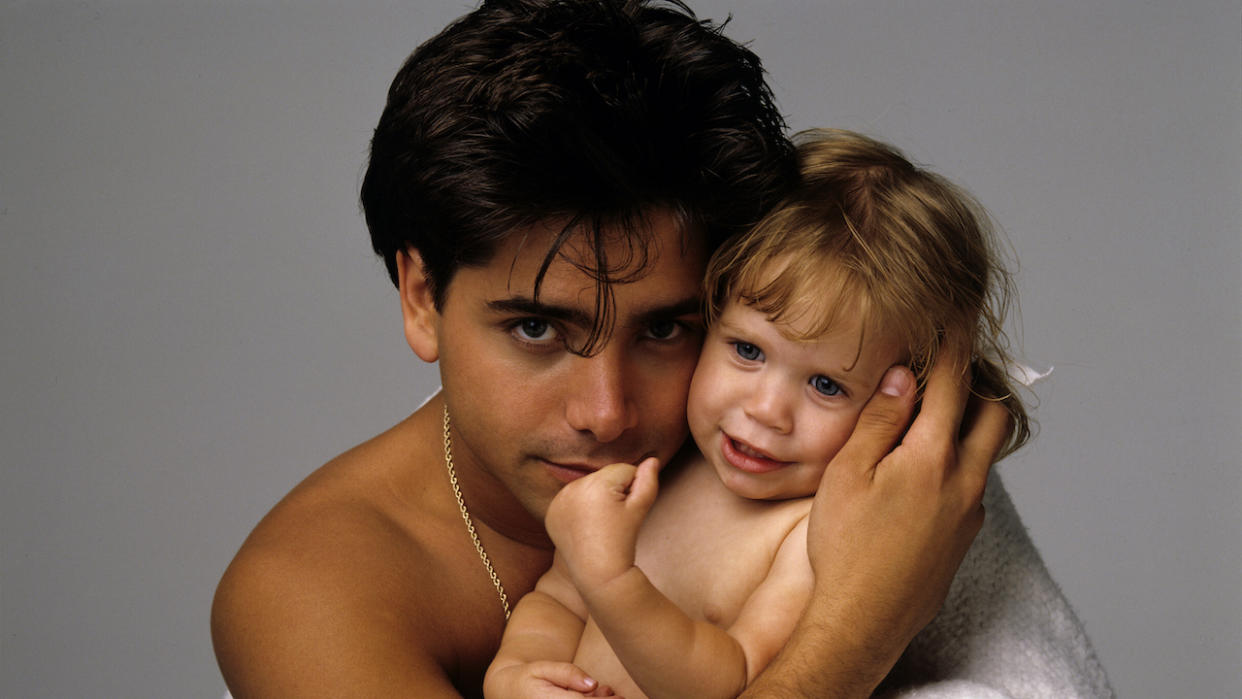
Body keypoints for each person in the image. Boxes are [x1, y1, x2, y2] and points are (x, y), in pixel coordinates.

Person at [211, 1, 1110, 697]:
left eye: (666, 329)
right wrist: (861, 627)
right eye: (536, 328)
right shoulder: (311, 589)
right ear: (421, 297)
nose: (608, 412)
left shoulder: (800, 432)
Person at [483, 128, 1031, 698]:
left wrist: (614, 582)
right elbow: (559, 598)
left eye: (826, 385)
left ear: (904, 410)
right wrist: (519, 670)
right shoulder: (665, 460)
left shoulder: (816, 536)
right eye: (747, 351)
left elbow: (732, 680)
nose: (767, 410)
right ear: (709, 318)